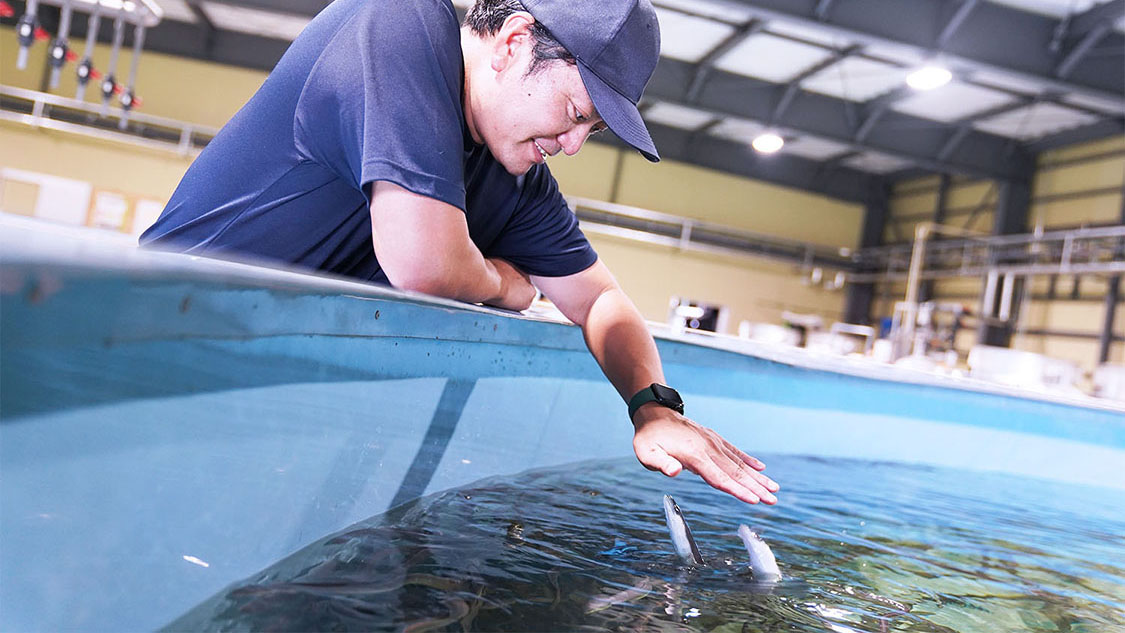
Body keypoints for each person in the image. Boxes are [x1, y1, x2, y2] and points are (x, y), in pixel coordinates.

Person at [140, 0, 780, 505]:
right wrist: (508, 285)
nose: (574, 143)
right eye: (574, 111)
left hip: (248, 388)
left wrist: (651, 407)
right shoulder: (398, 24)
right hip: (142, 345)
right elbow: (425, 266)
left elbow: (604, 301)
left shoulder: (519, 182)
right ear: (514, 44)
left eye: (592, 129)